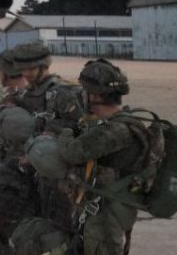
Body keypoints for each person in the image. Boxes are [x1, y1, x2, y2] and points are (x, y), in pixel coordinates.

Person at [55, 59, 149, 255]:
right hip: (111, 206)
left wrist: (66, 131)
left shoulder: (113, 130)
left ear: (95, 96)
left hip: (107, 212)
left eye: (85, 91)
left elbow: (71, 152)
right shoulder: (119, 122)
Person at [12, 40, 85, 235]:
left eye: (29, 69)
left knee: (60, 226)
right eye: (22, 69)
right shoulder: (29, 92)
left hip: (57, 175)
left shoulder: (62, 93)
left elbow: (79, 128)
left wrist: (53, 133)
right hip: (37, 170)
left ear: (43, 66)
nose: (25, 74)